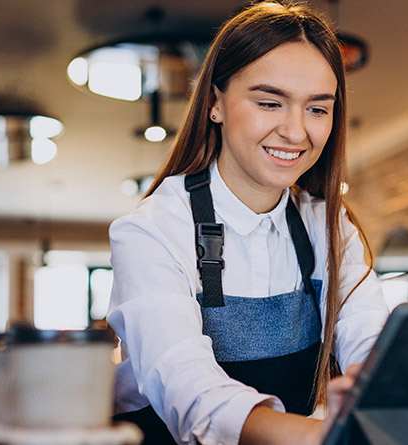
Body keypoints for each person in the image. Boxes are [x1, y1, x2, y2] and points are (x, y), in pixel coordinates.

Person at [106, 1, 389, 443]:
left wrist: (377, 391)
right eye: (270, 102)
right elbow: (191, 392)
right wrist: (319, 436)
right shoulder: (151, 231)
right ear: (215, 102)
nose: (296, 132)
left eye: (317, 109)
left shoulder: (328, 225)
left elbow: (371, 341)